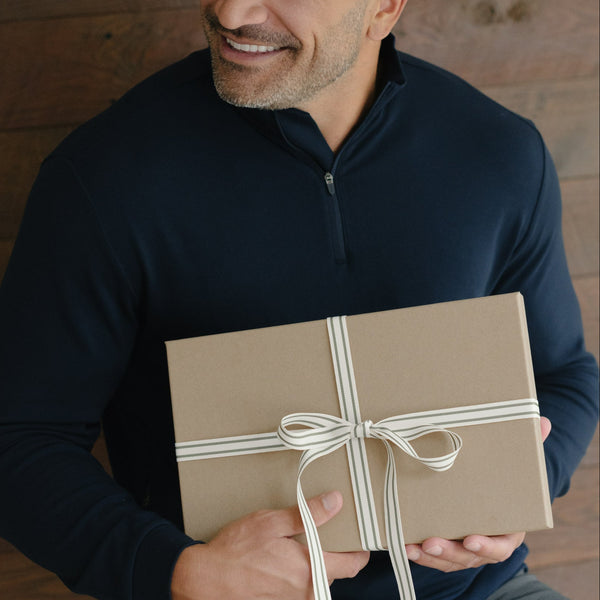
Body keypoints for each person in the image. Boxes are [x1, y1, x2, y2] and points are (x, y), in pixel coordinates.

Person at [0, 1, 597, 599]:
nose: (231, 11)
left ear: (384, 7)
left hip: (479, 591)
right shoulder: (105, 175)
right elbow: (20, 438)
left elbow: (565, 376)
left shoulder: (496, 151)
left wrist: (521, 484)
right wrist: (180, 572)